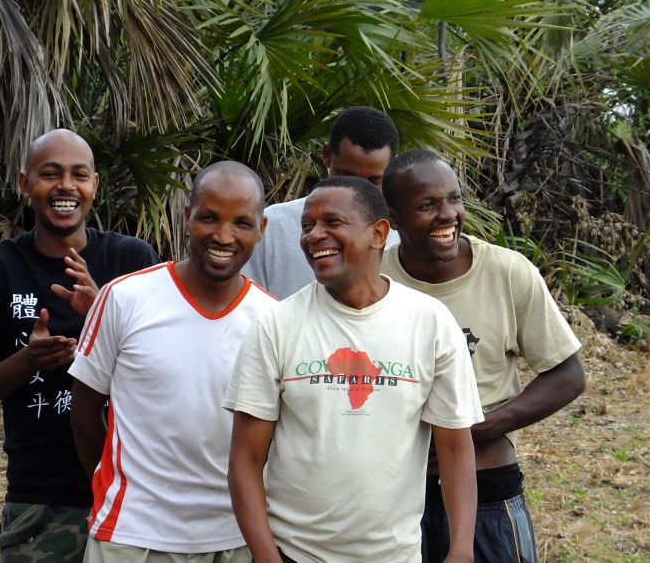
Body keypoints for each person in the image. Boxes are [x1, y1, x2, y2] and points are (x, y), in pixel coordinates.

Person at [225, 176, 483, 563]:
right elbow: (245, 459)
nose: (314, 236)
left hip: (396, 555)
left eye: (333, 222)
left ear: (378, 233)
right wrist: (266, 556)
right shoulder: (276, 325)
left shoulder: (430, 322)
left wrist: (461, 548)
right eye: (307, 225)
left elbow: (455, 446)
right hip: (294, 553)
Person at [0, 129, 161, 563]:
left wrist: (102, 314)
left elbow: (166, 369)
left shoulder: (132, 260)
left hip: (131, 491)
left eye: (79, 175)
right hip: (40, 500)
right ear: (25, 184)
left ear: (94, 186)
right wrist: (27, 360)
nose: (66, 186)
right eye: (50, 174)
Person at [380, 149, 587, 563]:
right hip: (393, 494)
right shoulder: (374, 277)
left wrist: (476, 429)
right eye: (427, 205)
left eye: (454, 199)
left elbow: (568, 374)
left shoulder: (507, 272)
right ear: (393, 219)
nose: (448, 215)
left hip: (488, 487)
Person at [69, 161, 276, 563]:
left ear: (261, 228)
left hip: (235, 537)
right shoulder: (124, 298)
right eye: (209, 218)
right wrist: (121, 489)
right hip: (132, 537)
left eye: (241, 223)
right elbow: (85, 410)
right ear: (187, 217)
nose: (223, 236)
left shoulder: (274, 319)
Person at [242, 106, 400, 298]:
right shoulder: (273, 227)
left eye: (372, 182)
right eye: (346, 178)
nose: (357, 193)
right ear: (326, 155)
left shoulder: (403, 233)